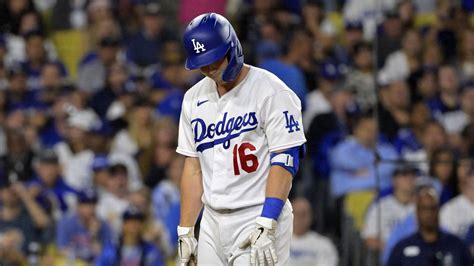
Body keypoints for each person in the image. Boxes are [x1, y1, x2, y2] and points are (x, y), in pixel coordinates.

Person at [176, 13, 306, 266]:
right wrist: (186, 230)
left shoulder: (272, 91)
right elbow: (193, 168)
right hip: (212, 220)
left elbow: (285, 159)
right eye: (202, 64)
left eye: (215, 60)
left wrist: (267, 221)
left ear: (232, 47)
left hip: (256, 213)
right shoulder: (193, 98)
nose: (209, 69)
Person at [387, 185, 473, 265]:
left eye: (432, 208)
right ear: (417, 212)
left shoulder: (456, 245)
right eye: (424, 208)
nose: (429, 214)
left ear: (438, 211)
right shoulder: (402, 248)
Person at [362, 164, 417, 252]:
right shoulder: (381, 206)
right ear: (394, 180)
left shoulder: (424, 206)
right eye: (404, 175)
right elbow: (369, 239)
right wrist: (394, 250)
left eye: (413, 174)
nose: (409, 178)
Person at [289, 197, 338, 266]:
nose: (299, 218)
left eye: (303, 214)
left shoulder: (324, 245)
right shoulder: (278, 241)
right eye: (296, 214)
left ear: (311, 216)